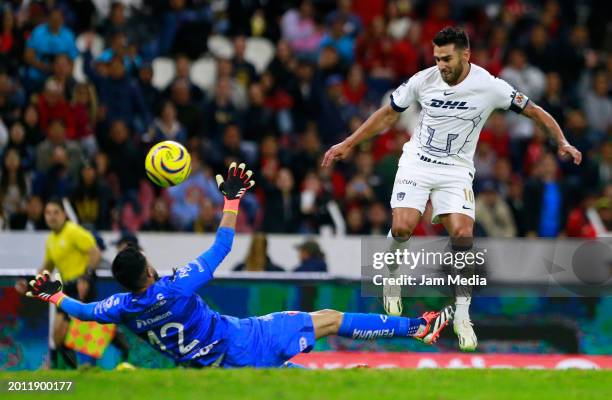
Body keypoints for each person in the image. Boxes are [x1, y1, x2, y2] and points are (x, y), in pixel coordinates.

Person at [24, 163, 452, 368]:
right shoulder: (175, 287)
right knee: (328, 319)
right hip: (243, 340)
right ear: (150, 270)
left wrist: (54, 294)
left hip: (213, 372)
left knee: (321, 383)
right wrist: (231, 199)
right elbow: (223, 245)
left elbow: (82, 311)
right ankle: (419, 328)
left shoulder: (120, 306)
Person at [322, 27, 582, 351]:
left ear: (465, 55)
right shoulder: (423, 80)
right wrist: (348, 143)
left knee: (463, 236)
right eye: (437, 58)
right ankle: (391, 277)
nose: (441, 65)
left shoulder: (490, 86)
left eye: (446, 59)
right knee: (402, 227)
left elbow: (534, 111)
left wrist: (562, 141)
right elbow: (388, 115)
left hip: (456, 171)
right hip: (418, 162)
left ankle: (461, 315)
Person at [15, 198, 101, 368]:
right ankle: (71, 370)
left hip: (81, 286)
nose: (52, 217)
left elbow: (95, 253)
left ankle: (63, 367)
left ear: (64, 214)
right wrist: (28, 282)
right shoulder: (51, 240)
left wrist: (86, 278)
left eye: (56, 212)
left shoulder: (74, 231)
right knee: (57, 336)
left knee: (82, 334)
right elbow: (47, 267)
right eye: (48, 213)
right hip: (65, 288)